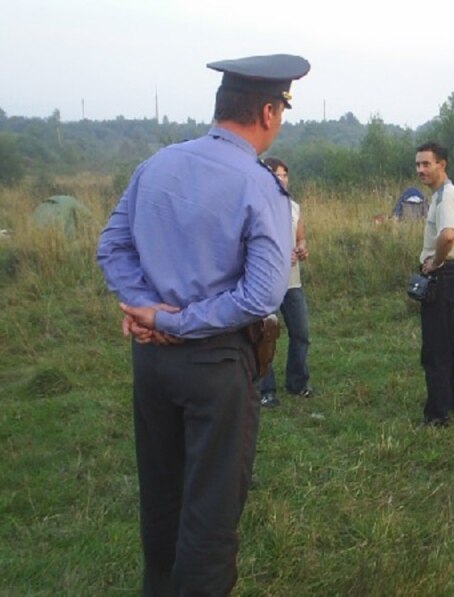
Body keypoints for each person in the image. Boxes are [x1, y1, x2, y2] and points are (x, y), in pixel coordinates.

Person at [96, 54, 310, 595]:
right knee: (211, 513)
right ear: (268, 112)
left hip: (152, 362)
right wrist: (181, 321)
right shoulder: (259, 185)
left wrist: (148, 310)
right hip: (215, 366)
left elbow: (112, 247)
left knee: (161, 497)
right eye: (281, 112)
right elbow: (262, 293)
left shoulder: (157, 164)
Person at [415, 141, 454, 427]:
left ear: (442, 165)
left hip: (442, 274)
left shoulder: (446, 196)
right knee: (450, 340)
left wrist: (435, 262)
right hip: (449, 273)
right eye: (418, 164)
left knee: (436, 346)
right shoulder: (444, 194)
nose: (420, 170)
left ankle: (437, 413)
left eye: (426, 164)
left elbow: (447, 235)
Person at [259, 157, 314, 408]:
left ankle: (297, 383)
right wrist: (280, 256)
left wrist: (302, 248)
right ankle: (265, 389)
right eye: (275, 175)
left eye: (284, 175)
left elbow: (300, 237)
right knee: (265, 335)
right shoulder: (257, 207)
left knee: (301, 333)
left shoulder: (293, 207)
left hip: (292, 282)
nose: (281, 180)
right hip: (266, 282)